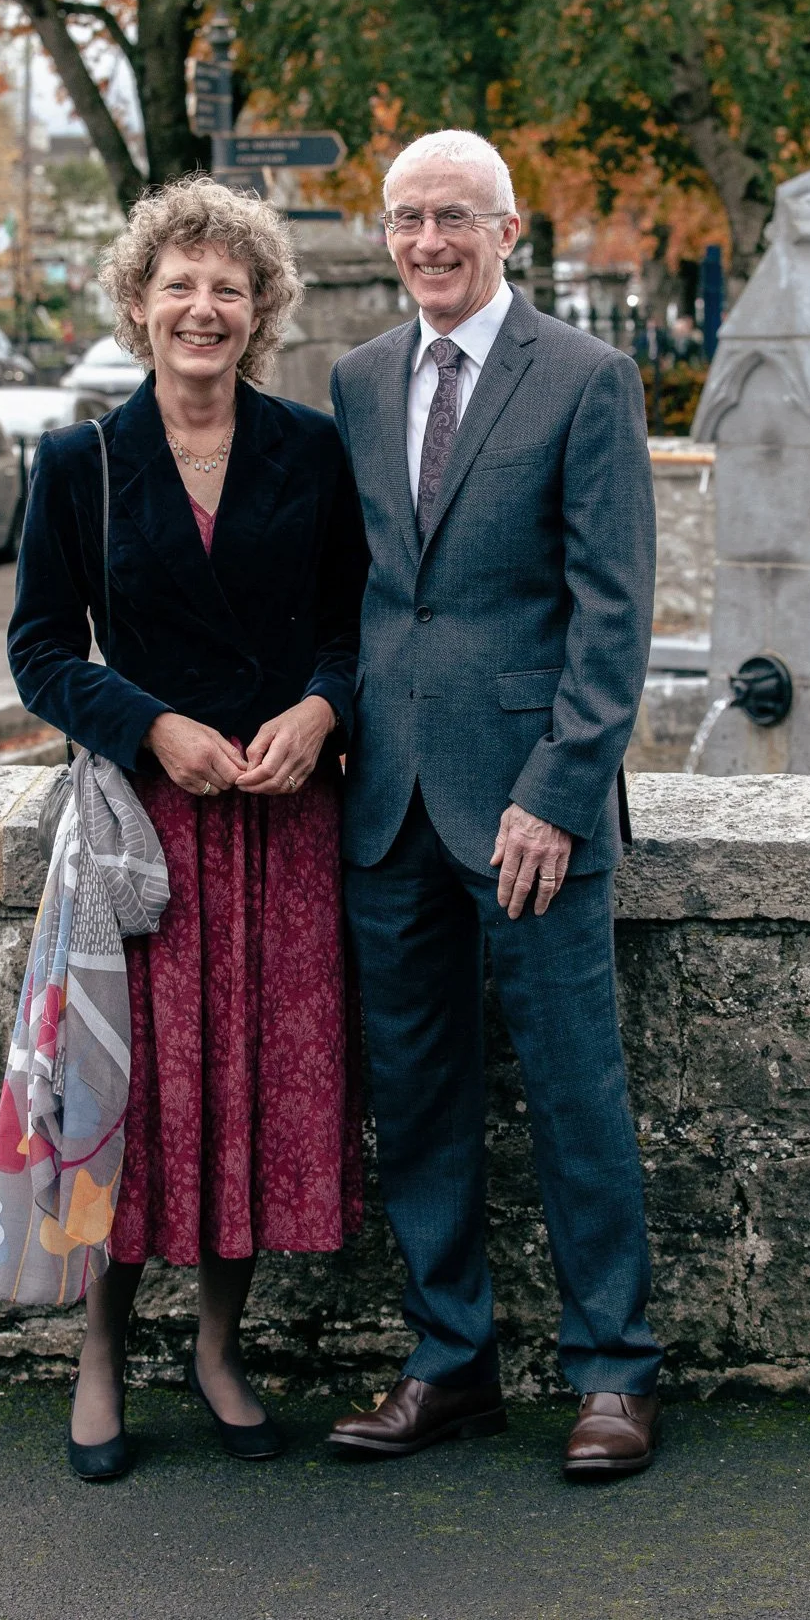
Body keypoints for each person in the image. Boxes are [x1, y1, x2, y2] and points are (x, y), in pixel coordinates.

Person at [7, 177, 366, 1480]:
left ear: (260, 308)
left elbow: (353, 626)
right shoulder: (80, 462)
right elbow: (40, 648)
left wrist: (324, 708)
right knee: (124, 1102)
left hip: (281, 832)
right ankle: (101, 1357)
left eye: (229, 286)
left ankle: (220, 1348)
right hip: (139, 843)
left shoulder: (313, 451)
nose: (203, 307)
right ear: (141, 303)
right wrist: (148, 724)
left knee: (248, 1100)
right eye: (181, 285)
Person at [326, 129, 663, 1480]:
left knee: (578, 1091)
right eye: (408, 218)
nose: (429, 242)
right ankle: (449, 1358)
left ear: (509, 228)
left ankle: (615, 1372)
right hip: (388, 802)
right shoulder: (355, 379)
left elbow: (615, 609)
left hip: (531, 811)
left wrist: (559, 790)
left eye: (455, 216)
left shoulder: (586, 378)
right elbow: (359, 589)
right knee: (413, 1095)